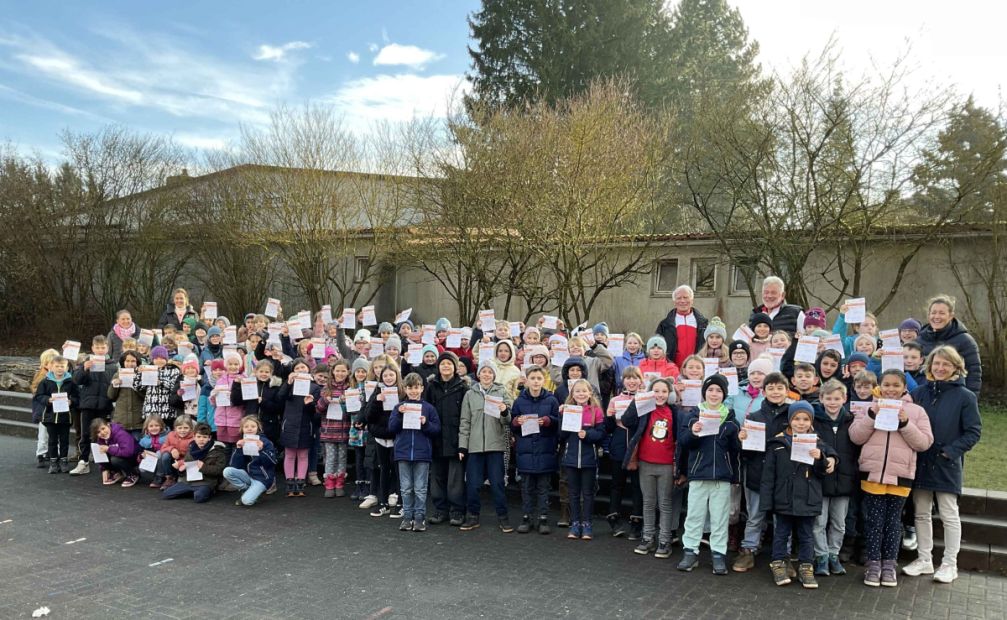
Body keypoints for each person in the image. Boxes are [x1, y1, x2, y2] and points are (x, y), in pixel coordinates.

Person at [903, 346, 982, 584]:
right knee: (922, 513)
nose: (940, 368)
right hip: (921, 461)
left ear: (956, 367)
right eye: (937, 363)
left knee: (949, 514)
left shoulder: (965, 397)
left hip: (947, 464)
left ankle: (950, 563)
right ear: (930, 365)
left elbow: (973, 431)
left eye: (946, 364)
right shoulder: (919, 393)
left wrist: (950, 452)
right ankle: (924, 559)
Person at [849, 370, 933, 588]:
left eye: (896, 385)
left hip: (901, 476)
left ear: (904, 387)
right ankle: (873, 563)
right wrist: (871, 415)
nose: (891, 389)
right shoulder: (870, 407)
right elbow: (855, 436)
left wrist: (905, 423)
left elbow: (924, 443)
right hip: (873, 474)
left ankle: (889, 565)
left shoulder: (916, 411)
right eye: (886, 384)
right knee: (874, 521)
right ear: (880, 385)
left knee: (893, 522)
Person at [761, 401, 837, 589]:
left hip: (808, 499)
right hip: (783, 498)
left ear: (811, 421)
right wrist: (766, 502)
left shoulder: (818, 443)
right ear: (789, 420)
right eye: (796, 419)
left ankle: (806, 567)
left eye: (805, 419)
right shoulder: (777, 443)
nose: (801, 423)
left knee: (806, 535)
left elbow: (825, 470)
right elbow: (768, 476)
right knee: (781, 534)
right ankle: (778, 564)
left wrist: (822, 458)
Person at [677, 374, 740, 575]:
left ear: (724, 394)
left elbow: (736, 450)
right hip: (698, 473)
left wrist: (741, 438)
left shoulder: (730, 419)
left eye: (719, 390)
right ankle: (690, 551)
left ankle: (718, 554)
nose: (714, 394)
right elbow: (684, 443)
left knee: (719, 518)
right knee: (694, 516)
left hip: (721, 476)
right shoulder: (693, 415)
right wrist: (693, 432)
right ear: (704, 393)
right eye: (710, 390)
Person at [732, 369, 791, 573]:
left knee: (782, 516)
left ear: (787, 390)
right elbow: (746, 452)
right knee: (754, 514)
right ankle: (748, 549)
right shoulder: (754, 416)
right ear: (764, 391)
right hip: (758, 472)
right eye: (771, 388)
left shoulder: (794, 416)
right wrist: (742, 440)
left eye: (779, 388)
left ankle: (784, 555)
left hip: (784, 476)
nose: (775, 391)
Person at [623, 378, 680, 558]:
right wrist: (637, 400)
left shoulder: (674, 413)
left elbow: (678, 438)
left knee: (664, 503)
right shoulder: (644, 410)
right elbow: (626, 420)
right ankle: (647, 537)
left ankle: (664, 540)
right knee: (648, 502)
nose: (660, 395)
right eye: (656, 391)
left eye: (664, 391)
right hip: (645, 462)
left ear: (669, 393)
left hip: (666, 465)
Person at [458, 361, 514, 533]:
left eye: (490, 372)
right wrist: (462, 447)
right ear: (479, 374)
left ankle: (503, 518)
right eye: (484, 371)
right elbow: (465, 422)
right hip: (474, 446)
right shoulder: (470, 394)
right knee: (473, 484)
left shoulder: (501, 391)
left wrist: (504, 410)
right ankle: (473, 517)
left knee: (497, 484)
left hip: (495, 446)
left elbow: (507, 421)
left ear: (494, 375)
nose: (487, 374)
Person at [812, 379, 859, 577]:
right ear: (821, 398)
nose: (832, 402)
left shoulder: (852, 420)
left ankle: (834, 554)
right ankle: (821, 556)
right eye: (828, 398)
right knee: (819, 522)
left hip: (845, 480)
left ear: (844, 399)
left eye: (837, 398)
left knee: (839, 523)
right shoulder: (814, 421)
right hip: (820, 479)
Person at [388, 373, 441, 532]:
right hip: (403, 453)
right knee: (405, 488)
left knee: (420, 488)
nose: (413, 391)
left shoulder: (429, 408)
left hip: (422, 454)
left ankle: (419, 518)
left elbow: (436, 429)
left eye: (416, 387)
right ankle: (407, 518)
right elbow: (391, 428)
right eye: (410, 388)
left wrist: (425, 424)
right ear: (405, 389)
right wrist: (399, 414)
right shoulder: (399, 407)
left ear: (422, 388)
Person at [511, 365, 560, 535]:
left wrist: (547, 420)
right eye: (533, 378)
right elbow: (512, 423)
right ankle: (526, 517)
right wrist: (517, 421)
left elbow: (558, 422)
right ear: (527, 380)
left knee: (543, 487)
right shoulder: (519, 401)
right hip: (525, 450)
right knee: (526, 487)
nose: (536, 381)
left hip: (545, 449)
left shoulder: (552, 400)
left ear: (544, 380)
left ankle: (543, 518)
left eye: (539, 378)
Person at [423, 351, 468, 525]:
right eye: (443, 364)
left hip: (456, 440)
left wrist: (463, 443)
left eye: (449, 363)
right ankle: (440, 509)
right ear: (438, 366)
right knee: (437, 479)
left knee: (455, 481)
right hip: (436, 439)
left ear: (455, 367)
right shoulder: (431, 386)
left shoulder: (463, 387)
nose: (446, 366)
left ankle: (457, 511)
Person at [559, 378, 605, 540]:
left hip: (589, 459)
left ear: (590, 393)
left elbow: (601, 434)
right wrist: (563, 417)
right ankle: (575, 523)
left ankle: (587, 524)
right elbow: (561, 436)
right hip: (570, 459)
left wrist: (588, 435)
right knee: (573, 493)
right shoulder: (568, 410)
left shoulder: (596, 411)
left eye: (584, 391)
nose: (581, 394)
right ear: (572, 393)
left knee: (587, 493)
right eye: (577, 391)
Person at [603, 366, 645, 538]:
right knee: (617, 484)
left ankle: (636, 523)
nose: (632, 381)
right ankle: (614, 520)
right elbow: (608, 428)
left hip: (638, 443)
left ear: (640, 380)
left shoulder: (645, 399)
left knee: (637, 486)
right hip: (619, 443)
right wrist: (610, 416)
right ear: (623, 381)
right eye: (628, 378)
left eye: (635, 378)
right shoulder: (615, 399)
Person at [69, 335, 118, 475]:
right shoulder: (86, 362)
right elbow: (76, 380)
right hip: (88, 404)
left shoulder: (113, 365)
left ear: (107, 348)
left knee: (103, 434)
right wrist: (84, 369)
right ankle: (83, 461)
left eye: (103, 347)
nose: (100, 350)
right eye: (97, 347)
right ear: (92, 348)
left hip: (105, 404)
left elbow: (113, 384)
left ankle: (104, 465)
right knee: (85, 434)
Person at [915, 295, 982, 394]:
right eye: (933, 313)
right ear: (929, 315)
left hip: (953, 397)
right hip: (925, 398)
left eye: (942, 313)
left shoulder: (965, 341)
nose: (937, 317)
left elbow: (974, 373)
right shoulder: (919, 340)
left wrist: (970, 399)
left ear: (951, 316)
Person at [278, 358, 320, 497]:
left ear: (308, 370)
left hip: (305, 425)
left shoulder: (314, 387)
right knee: (289, 454)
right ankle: (290, 484)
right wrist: (288, 382)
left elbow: (316, 412)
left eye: (303, 368)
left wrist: (310, 404)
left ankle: (300, 484)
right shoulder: (289, 384)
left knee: (303, 455)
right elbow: (280, 398)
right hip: (289, 424)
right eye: (297, 368)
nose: (301, 370)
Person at [35, 355, 78, 474]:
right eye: (57, 366)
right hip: (50, 416)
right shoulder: (45, 382)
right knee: (52, 440)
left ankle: (63, 461)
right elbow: (39, 396)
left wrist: (72, 401)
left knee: (64, 440)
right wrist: (47, 400)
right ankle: (53, 462)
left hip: (65, 417)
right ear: (51, 367)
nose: (60, 368)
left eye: (62, 366)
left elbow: (77, 397)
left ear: (67, 367)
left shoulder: (71, 382)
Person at [223, 416, 278, 507]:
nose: (249, 429)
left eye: (253, 426)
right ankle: (246, 489)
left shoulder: (266, 442)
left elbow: (272, 462)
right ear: (242, 429)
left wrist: (261, 450)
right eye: (246, 426)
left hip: (262, 478)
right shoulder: (242, 441)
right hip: (248, 475)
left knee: (246, 501)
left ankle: (251, 493)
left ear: (258, 428)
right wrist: (238, 449)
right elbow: (234, 465)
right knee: (227, 471)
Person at [316, 360, 352, 497]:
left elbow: (354, 409)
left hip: (343, 429)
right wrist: (325, 400)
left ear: (348, 372)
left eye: (343, 371)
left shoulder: (350, 388)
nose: (340, 373)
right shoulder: (326, 388)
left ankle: (340, 483)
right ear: (332, 372)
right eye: (337, 370)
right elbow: (318, 409)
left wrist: (347, 401)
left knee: (342, 457)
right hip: (329, 429)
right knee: (330, 457)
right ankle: (329, 484)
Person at [656, 285, 710, 368]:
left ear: (692, 300)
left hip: (696, 370)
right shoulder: (665, 324)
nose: (682, 301)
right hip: (672, 369)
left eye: (685, 297)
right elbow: (657, 348)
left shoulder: (703, 324)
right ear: (674, 302)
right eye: (679, 298)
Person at [135, 346, 181, 426]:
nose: (159, 361)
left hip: (167, 410)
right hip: (151, 408)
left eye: (162, 358)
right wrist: (139, 373)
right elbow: (137, 387)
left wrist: (161, 382)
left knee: (166, 433)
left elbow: (175, 387)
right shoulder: (147, 369)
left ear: (166, 359)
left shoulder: (173, 370)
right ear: (152, 360)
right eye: (156, 359)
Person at [30, 349, 60, 468]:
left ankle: (53, 453)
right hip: (43, 410)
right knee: (43, 434)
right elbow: (36, 392)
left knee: (55, 433)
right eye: (51, 363)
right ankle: (41, 454)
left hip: (56, 410)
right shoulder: (41, 376)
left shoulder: (60, 376)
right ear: (45, 364)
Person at [91, 418, 140, 487]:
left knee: (115, 459)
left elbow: (128, 452)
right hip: (120, 456)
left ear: (108, 425)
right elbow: (100, 457)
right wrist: (104, 469)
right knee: (102, 452)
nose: (102, 432)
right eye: (98, 432)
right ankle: (116, 473)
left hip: (133, 458)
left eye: (103, 428)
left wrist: (109, 449)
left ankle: (133, 474)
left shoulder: (120, 434)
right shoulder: (101, 439)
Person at [108, 351, 144, 441]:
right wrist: (115, 385)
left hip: (138, 420)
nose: (130, 364)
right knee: (123, 446)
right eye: (127, 361)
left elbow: (145, 396)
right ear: (123, 362)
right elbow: (111, 396)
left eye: (133, 361)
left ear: (137, 362)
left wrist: (136, 384)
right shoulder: (117, 374)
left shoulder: (141, 375)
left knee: (137, 447)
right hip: (122, 419)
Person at [157, 415, 196, 490]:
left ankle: (179, 477)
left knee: (182, 482)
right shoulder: (171, 435)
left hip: (185, 462)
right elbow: (163, 448)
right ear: (175, 428)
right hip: (173, 461)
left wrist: (180, 463)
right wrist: (172, 449)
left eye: (186, 428)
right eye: (180, 428)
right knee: (165, 455)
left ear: (191, 428)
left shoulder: (193, 439)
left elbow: (193, 455)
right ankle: (169, 478)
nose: (182, 430)